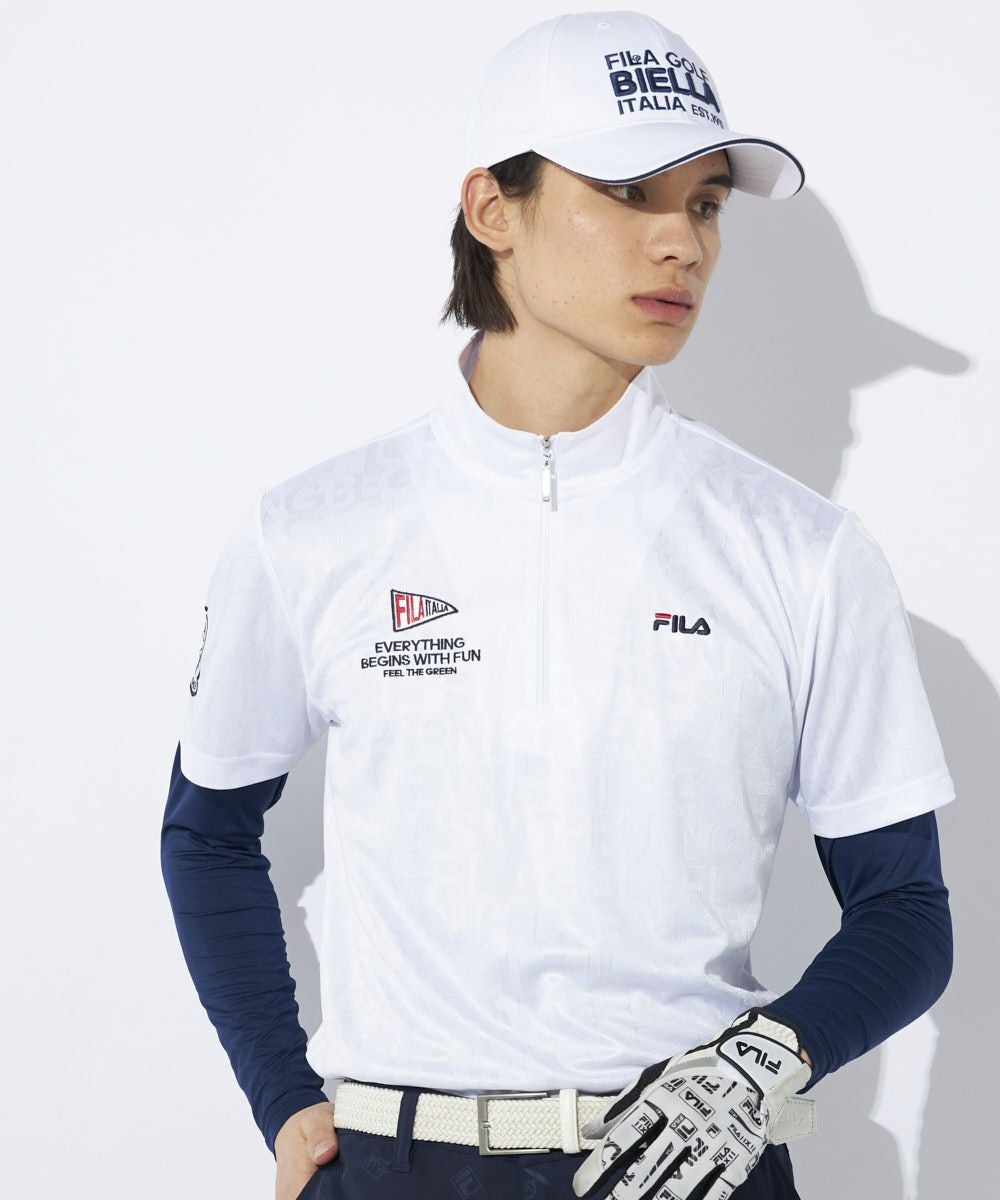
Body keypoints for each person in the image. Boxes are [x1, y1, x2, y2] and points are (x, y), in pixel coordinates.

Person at [160, 12, 955, 1200]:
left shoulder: (804, 549)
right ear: (493, 209)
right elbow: (207, 833)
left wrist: (766, 1062)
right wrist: (283, 1097)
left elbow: (905, 909)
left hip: (691, 1165)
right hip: (393, 1165)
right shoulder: (314, 529)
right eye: (629, 191)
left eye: (704, 204)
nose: (682, 242)